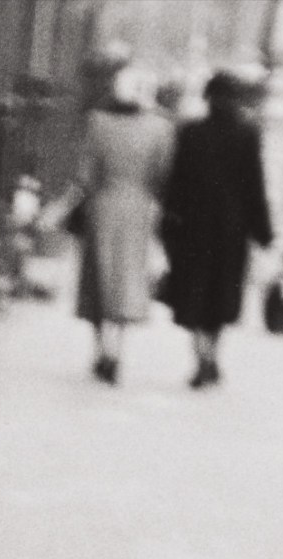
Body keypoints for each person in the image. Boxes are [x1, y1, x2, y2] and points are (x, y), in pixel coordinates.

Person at [160, 70, 273, 387]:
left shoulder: (191, 132)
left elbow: (176, 183)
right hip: (231, 230)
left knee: (192, 294)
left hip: (193, 228)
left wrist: (169, 223)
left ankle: (201, 357)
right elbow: (255, 186)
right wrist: (262, 230)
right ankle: (212, 355)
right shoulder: (247, 134)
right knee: (221, 295)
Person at [73, 62, 174, 383]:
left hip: (102, 206)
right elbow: (163, 174)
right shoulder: (161, 127)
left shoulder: (97, 122)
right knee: (126, 279)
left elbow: (86, 174)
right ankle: (117, 349)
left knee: (98, 280)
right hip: (138, 209)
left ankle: (101, 350)